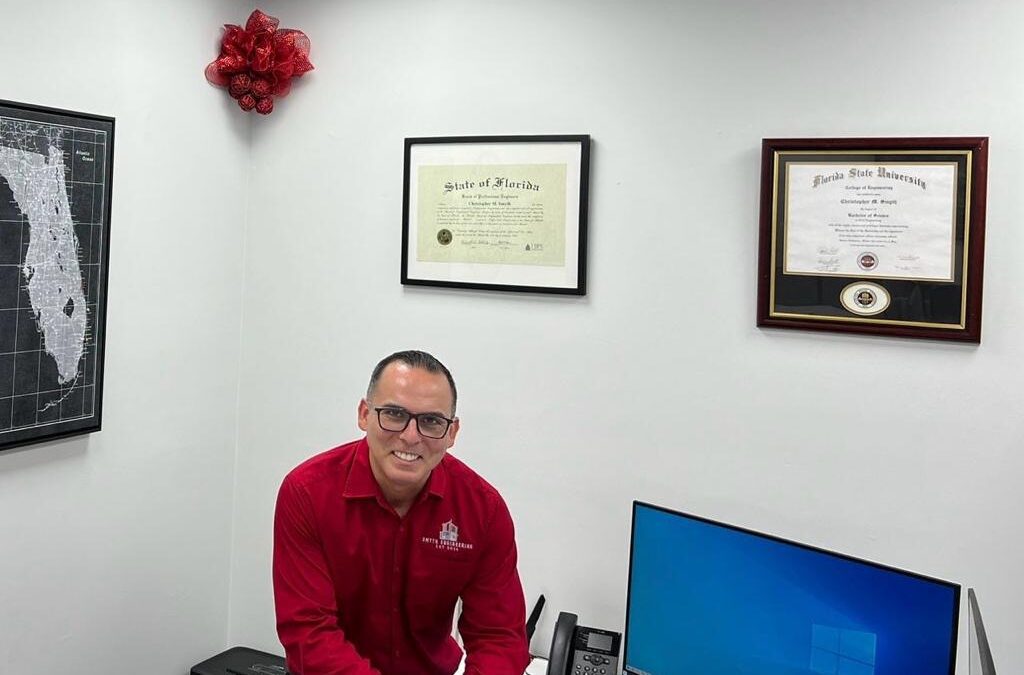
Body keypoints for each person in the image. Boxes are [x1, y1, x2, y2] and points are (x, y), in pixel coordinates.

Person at [273, 350, 531, 675]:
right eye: (394, 414)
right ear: (364, 414)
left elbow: (500, 637)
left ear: (452, 433)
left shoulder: (484, 510)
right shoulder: (307, 492)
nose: (411, 437)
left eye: (431, 421)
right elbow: (308, 631)